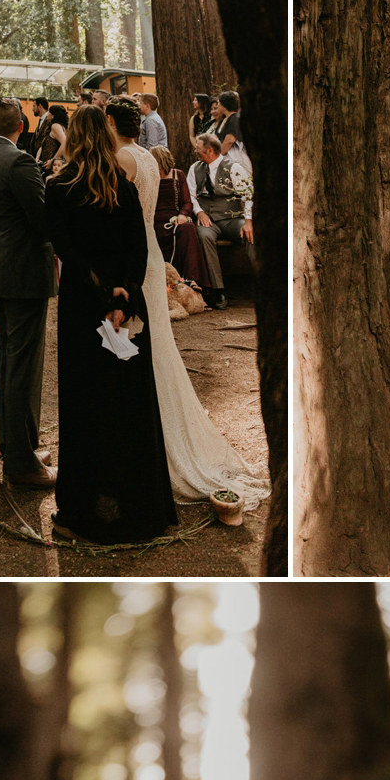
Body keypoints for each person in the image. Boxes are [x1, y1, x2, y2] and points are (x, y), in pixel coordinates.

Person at [104, 96, 268, 511]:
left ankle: (147, 437)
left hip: (133, 255)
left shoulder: (121, 157)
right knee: (156, 342)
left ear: (109, 121)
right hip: (150, 253)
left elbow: (115, 214)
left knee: (139, 343)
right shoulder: (144, 155)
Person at [42, 102, 177, 543]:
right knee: (130, 402)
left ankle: (82, 512)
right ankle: (139, 506)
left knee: (85, 404)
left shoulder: (59, 188)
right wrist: (122, 295)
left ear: (74, 139)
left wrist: (101, 293)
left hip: (84, 307)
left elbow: (66, 250)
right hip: (127, 306)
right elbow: (137, 250)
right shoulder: (122, 186)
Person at [0, 97, 58, 490]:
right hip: (24, 274)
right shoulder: (19, 162)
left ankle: (17, 447)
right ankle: (22, 464)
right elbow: (42, 219)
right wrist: (51, 184)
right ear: (20, 126)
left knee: (8, 363)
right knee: (23, 366)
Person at [188, 133, 249, 308]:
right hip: (209, 220)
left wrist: (249, 221)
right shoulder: (195, 168)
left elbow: (248, 194)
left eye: (198, 148)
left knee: (250, 236)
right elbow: (191, 195)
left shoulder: (234, 167)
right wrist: (199, 212)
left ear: (210, 150)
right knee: (203, 236)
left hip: (232, 219)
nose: (195, 150)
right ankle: (218, 290)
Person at [152, 143, 213, 296]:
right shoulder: (149, 177)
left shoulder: (178, 174)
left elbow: (187, 202)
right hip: (154, 220)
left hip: (175, 219)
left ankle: (192, 280)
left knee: (189, 228)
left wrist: (183, 214)